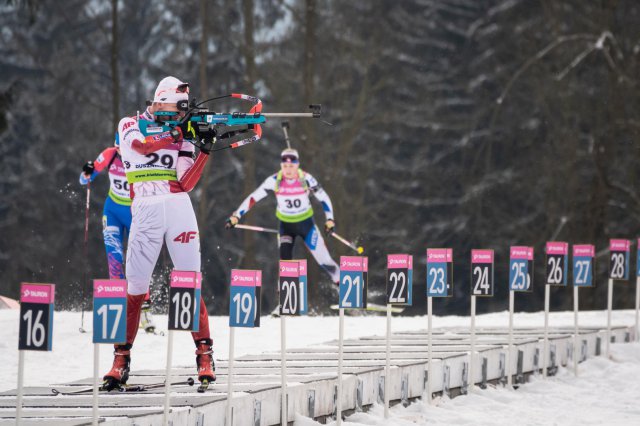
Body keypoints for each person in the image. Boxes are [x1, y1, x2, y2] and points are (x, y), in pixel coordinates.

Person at [102, 76, 216, 390]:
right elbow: (140, 146)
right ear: (161, 100)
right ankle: (120, 359)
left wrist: (203, 148)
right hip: (145, 210)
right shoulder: (130, 124)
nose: (182, 112)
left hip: (178, 207)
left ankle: (204, 354)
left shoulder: (183, 133)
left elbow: (185, 182)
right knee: (136, 287)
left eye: (185, 108)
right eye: (178, 106)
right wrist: (177, 131)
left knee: (188, 282)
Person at [226, 148, 340, 284]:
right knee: (285, 261)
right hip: (286, 226)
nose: (288, 169)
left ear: (297, 165)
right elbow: (253, 198)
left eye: (291, 166)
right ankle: (286, 293)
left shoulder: (306, 179)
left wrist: (330, 219)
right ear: (281, 166)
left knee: (324, 260)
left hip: (307, 225)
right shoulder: (274, 181)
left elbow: (324, 198)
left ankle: (340, 281)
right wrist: (236, 215)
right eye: (285, 166)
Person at [80, 135, 157, 334]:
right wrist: (87, 170)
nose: (122, 153)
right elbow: (84, 179)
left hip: (135, 213)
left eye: (125, 148)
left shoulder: (142, 157)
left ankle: (145, 309)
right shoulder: (109, 155)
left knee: (138, 261)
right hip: (112, 211)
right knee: (114, 259)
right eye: (119, 148)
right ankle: (118, 308)